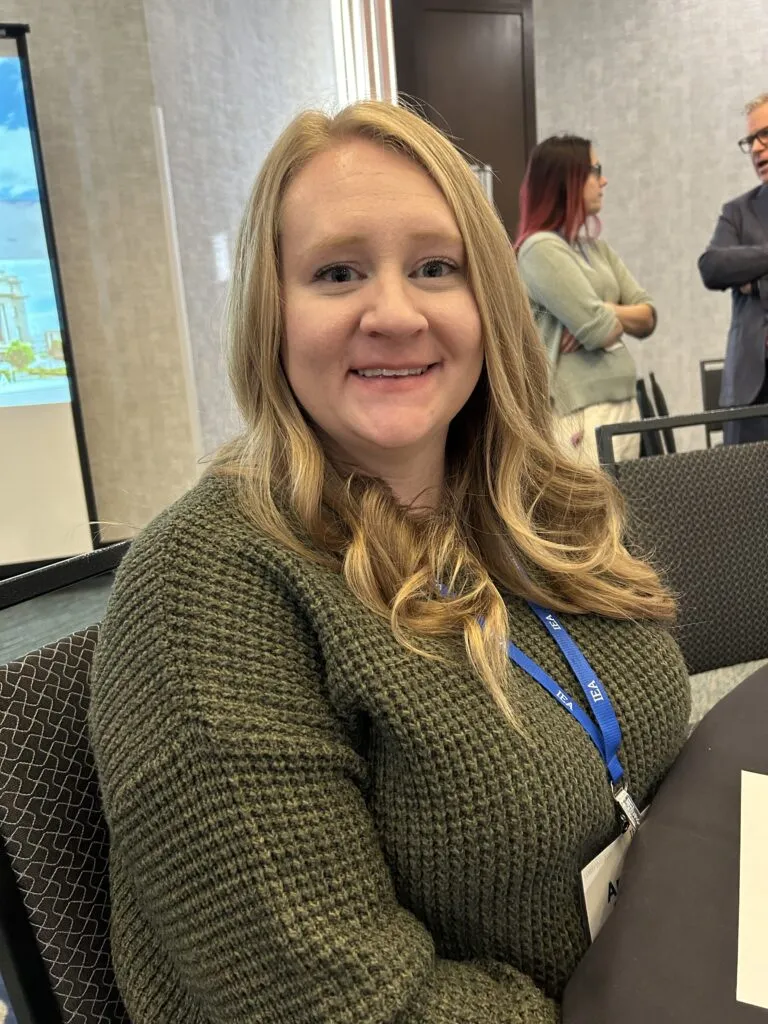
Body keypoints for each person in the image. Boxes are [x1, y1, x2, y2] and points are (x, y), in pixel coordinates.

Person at [89, 102, 690, 1024]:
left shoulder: (531, 505)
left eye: (435, 268)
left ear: (484, 298)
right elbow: (345, 1006)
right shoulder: (205, 591)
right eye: (337, 272)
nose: (396, 313)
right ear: (270, 311)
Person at [515, 136, 657, 465]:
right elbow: (599, 332)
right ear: (567, 180)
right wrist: (602, 320)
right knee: (590, 516)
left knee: (621, 515)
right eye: (595, 171)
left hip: (623, 401)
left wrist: (603, 310)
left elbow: (648, 315)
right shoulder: (540, 249)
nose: (603, 180)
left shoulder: (596, 249)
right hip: (579, 412)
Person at [698, 93, 768, 445]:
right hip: (749, 392)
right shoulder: (737, 212)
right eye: (750, 140)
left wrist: (754, 284)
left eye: (765, 135)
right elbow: (712, 267)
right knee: (746, 499)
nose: (756, 148)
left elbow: (735, 268)